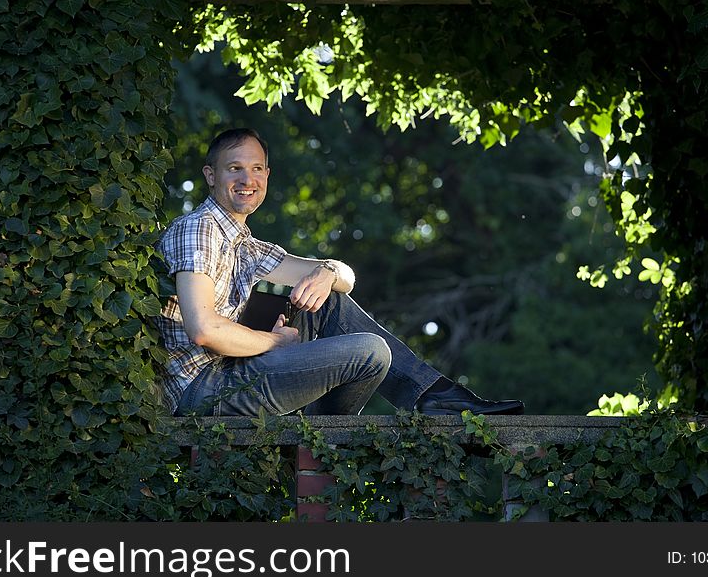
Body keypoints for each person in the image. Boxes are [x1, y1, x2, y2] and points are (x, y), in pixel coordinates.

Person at [154, 127, 525, 418]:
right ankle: (327, 440)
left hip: (231, 374)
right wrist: (274, 343)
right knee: (369, 352)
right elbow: (204, 330)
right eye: (235, 168)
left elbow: (343, 278)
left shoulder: (246, 245)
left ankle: (437, 397)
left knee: (328, 300)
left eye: (256, 169)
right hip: (203, 389)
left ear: (267, 175)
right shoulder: (199, 229)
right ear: (211, 175)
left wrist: (328, 272)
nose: (247, 179)